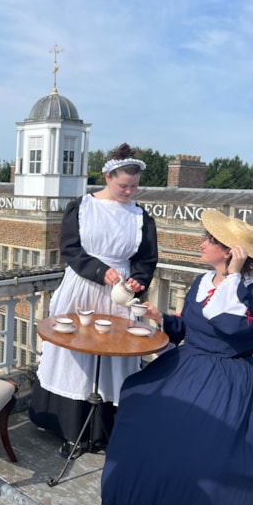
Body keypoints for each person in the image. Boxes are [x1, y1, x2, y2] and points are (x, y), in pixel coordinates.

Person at [101, 209, 253, 505]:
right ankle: (140, 499)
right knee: (138, 397)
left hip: (230, 375)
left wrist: (233, 276)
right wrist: (161, 318)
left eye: (210, 240)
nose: (202, 243)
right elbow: (188, 328)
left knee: (194, 439)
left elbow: (234, 327)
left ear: (230, 251)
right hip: (189, 362)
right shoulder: (201, 282)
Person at [29, 143, 158, 458]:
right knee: (76, 353)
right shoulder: (82, 207)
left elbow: (147, 259)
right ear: (107, 177)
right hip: (83, 288)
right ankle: (71, 429)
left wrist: (137, 281)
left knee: (115, 355)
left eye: (133, 187)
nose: (128, 192)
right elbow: (71, 249)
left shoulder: (141, 217)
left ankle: (104, 431)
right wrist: (101, 271)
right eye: (122, 185)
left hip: (120, 295)